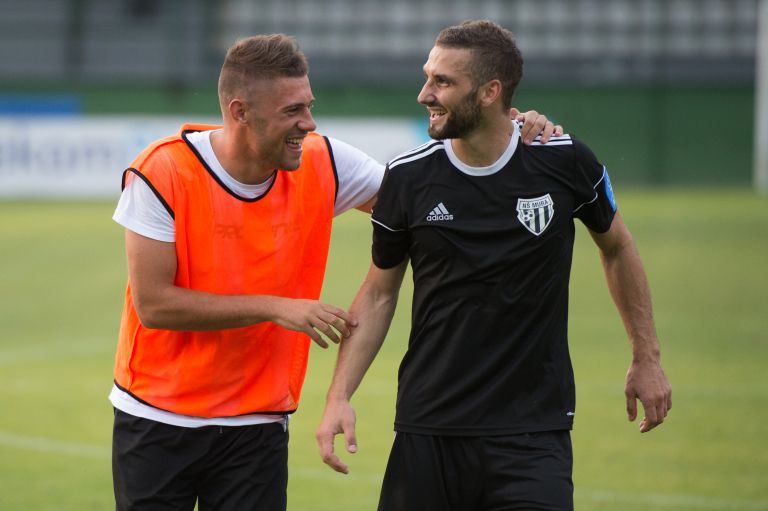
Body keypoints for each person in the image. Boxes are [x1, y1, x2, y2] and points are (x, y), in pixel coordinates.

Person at [110, 33, 560, 511]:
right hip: (157, 417)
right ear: (240, 112)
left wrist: (500, 130)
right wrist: (277, 308)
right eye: (292, 111)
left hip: (258, 423)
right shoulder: (163, 172)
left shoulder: (324, 160)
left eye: (309, 106)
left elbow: (426, 201)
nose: (309, 123)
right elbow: (154, 305)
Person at [316, 20, 672, 511]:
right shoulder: (409, 176)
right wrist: (338, 396)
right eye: (427, 76)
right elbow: (379, 292)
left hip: (533, 433)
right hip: (428, 428)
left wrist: (646, 357)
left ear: (490, 91)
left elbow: (618, 247)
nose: (424, 94)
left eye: (443, 82)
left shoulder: (563, 161)